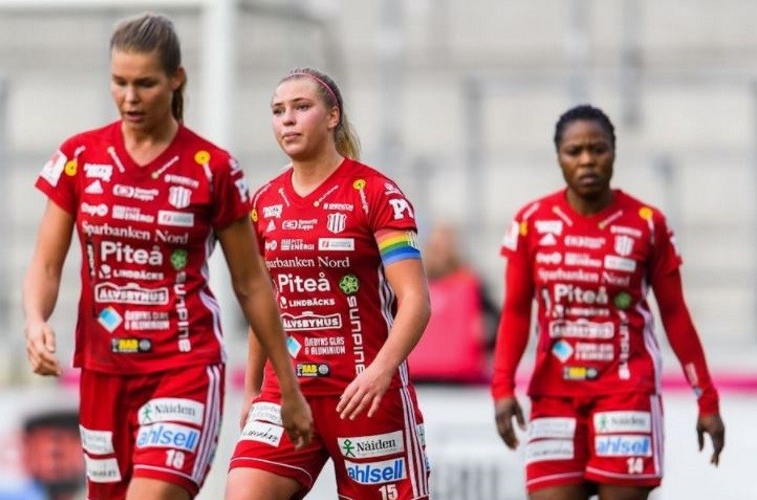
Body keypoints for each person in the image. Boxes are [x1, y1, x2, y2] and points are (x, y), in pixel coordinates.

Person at [21, 13, 312, 500]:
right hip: (103, 371)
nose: (130, 98)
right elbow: (46, 263)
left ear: (176, 79)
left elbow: (251, 283)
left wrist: (286, 384)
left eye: (145, 84)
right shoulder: (79, 157)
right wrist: (35, 320)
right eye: (119, 82)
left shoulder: (212, 169)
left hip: (185, 367)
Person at [492, 104, 726, 500]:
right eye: (574, 151)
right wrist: (502, 389)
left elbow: (675, 315)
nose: (587, 160)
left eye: (597, 149)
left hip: (626, 391)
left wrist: (707, 398)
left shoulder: (647, 223)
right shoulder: (531, 222)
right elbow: (515, 312)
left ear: (614, 152)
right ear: (559, 157)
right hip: (554, 394)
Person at [225, 68, 432, 500]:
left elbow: (415, 300)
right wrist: (253, 389)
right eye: (278, 111)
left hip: (364, 393)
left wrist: (381, 372)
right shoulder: (264, 202)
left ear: (333, 116)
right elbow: (266, 301)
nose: (287, 119)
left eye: (301, 107)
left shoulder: (375, 193)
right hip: (287, 392)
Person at [407, 222, 499, 384]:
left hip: (460, 377)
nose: (441, 252)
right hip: (418, 376)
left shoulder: (471, 284)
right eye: (437, 247)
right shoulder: (411, 284)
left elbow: (497, 323)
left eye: (446, 246)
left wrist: (486, 331)